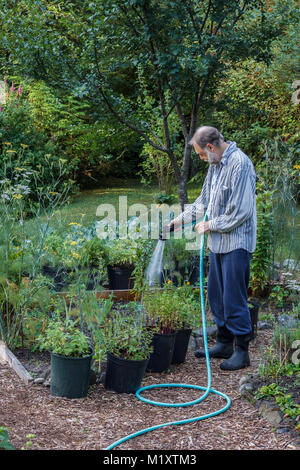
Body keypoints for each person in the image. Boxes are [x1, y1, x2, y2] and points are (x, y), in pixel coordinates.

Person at [167, 126, 257, 371]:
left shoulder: (240, 164)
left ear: (210, 147)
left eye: (200, 154)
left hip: (237, 242)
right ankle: (224, 343)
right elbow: (203, 202)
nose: (201, 159)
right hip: (218, 244)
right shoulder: (214, 166)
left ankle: (242, 351)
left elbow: (242, 210)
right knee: (216, 294)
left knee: (233, 297)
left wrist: (210, 224)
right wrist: (177, 222)